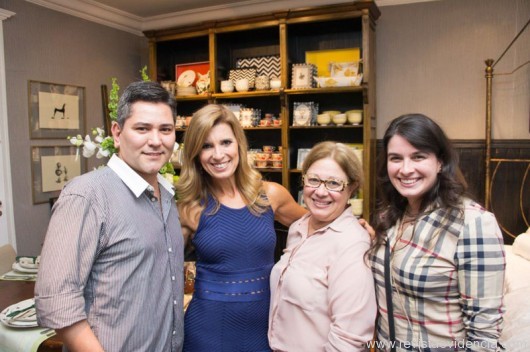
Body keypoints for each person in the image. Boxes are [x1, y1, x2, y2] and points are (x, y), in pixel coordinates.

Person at [35, 81, 184, 352]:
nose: (155, 140)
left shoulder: (166, 193)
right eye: (142, 128)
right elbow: (57, 301)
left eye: (165, 129)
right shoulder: (86, 196)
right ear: (117, 133)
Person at [176, 104, 307, 351]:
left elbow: (318, 228)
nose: (218, 154)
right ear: (195, 154)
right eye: (206, 146)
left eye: (225, 142)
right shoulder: (189, 209)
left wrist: (354, 226)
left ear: (239, 144)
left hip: (265, 329)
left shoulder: (271, 195)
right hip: (208, 332)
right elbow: (161, 271)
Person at [370, 113, 505, 351]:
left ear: (440, 162)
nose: (405, 169)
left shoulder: (473, 223)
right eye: (395, 158)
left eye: (418, 157)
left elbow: (483, 333)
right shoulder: (390, 217)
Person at [268, 141, 377, 351]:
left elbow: (350, 338)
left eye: (334, 183)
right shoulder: (298, 228)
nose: (320, 192)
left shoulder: (352, 243)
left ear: (352, 188)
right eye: (314, 180)